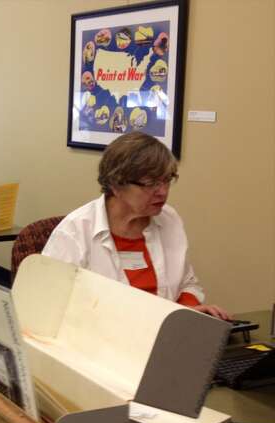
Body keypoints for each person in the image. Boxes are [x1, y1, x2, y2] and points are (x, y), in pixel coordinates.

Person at [42, 131, 230, 319]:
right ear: (116, 184)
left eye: (167, 180)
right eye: (151, 183)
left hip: (165, 337)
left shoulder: (169, 219)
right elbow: (52, 307)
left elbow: (187, 283)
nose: (163, 192)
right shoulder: (74, 233)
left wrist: (187, 310)